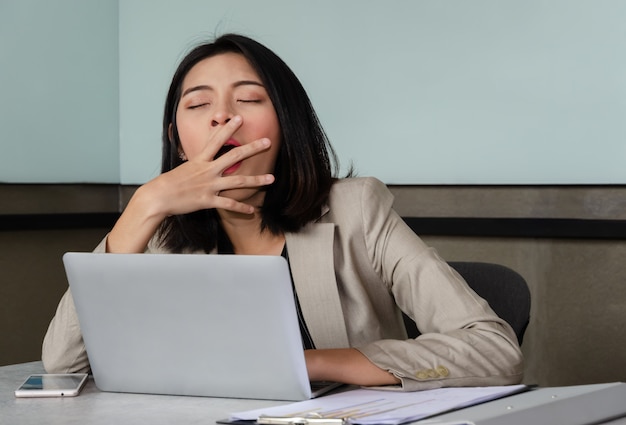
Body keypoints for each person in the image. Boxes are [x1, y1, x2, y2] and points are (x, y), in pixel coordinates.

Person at [42, 33, 523, 391]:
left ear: (286, 125)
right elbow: (64, 366)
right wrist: (143, 207)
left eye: (249, 98)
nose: (222, 116)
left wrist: (310, 361)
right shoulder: (162, 234)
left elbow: (495, 349)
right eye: (197, 104)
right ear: (178, 142)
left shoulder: (358, 208)